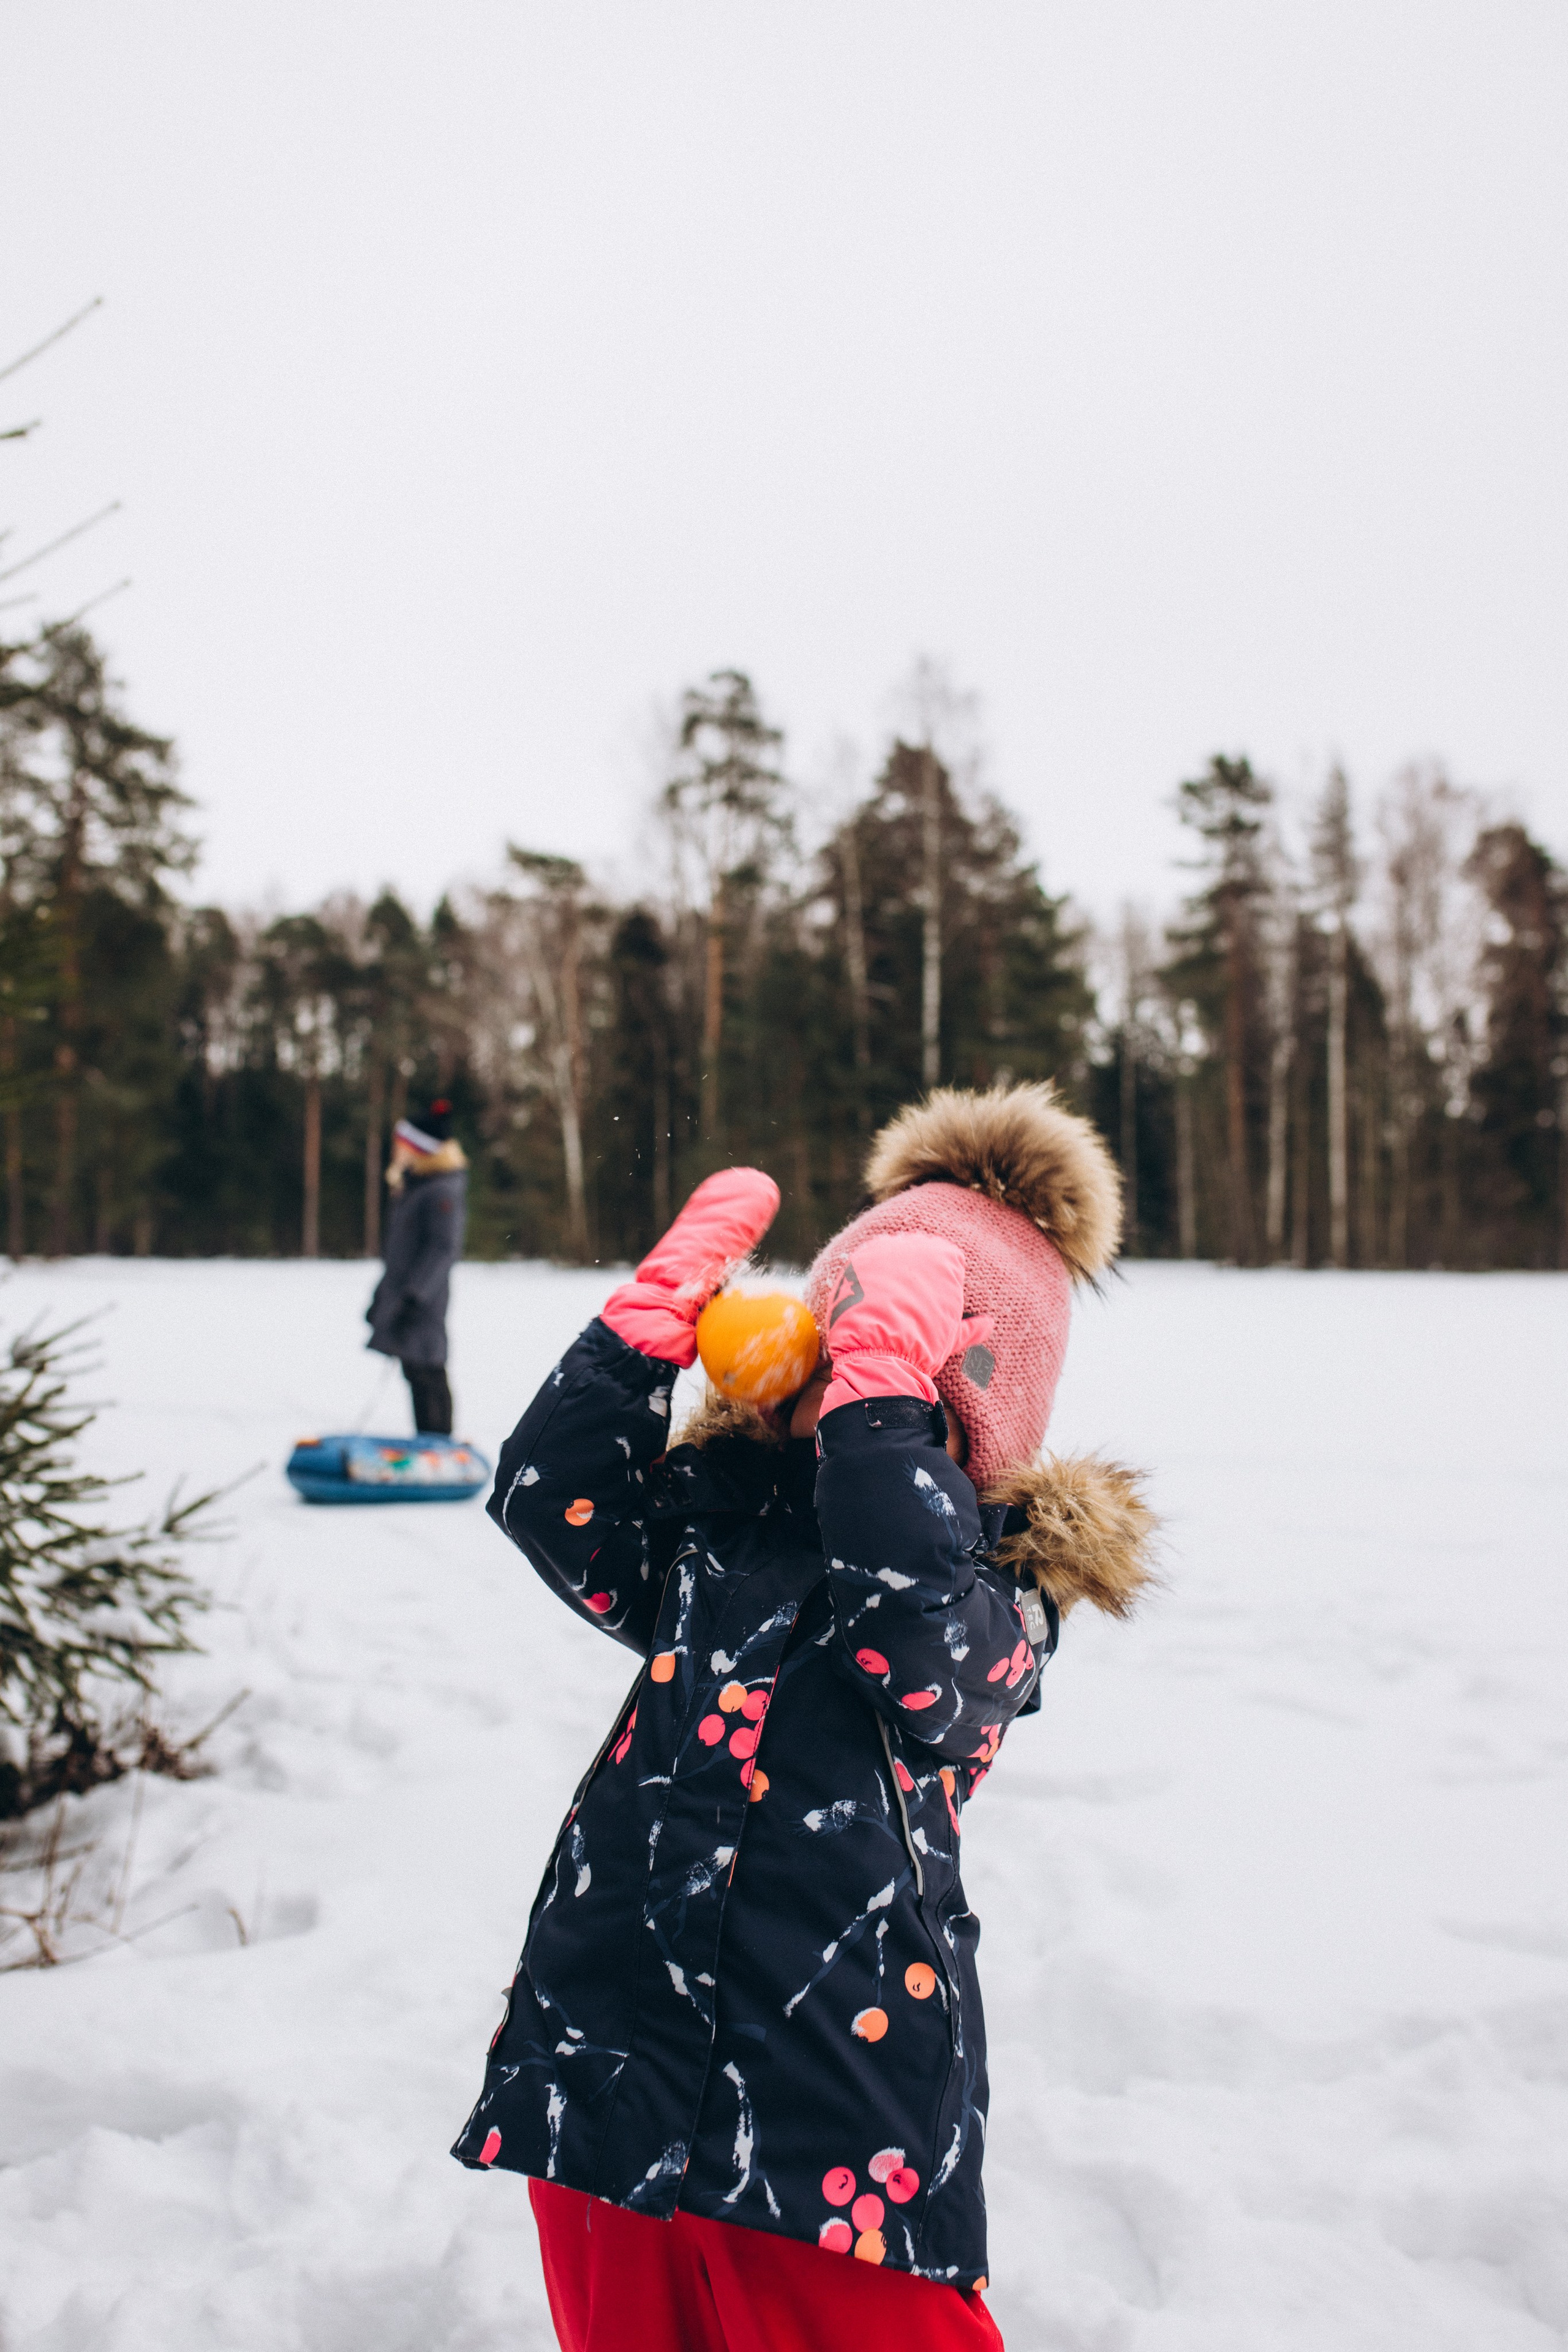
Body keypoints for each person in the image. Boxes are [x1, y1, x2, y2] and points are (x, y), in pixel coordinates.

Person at [451, 1083, 1157, 2351]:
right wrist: (638, 1339)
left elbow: (902, 1617)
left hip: (826, 2106)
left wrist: (877, 1412)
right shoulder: (715, 1524)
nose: (839, 1381)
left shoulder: (999, 1603)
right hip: (608, 2033)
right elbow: (549, 1503)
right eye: (839, 1343)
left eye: (887, 1360)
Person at [366, 1099, 468, 1434]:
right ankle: (429, 1440)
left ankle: (439, 1441)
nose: (396, 1152)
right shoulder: (416, 1186)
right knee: (414, 1368)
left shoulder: (441, 1190)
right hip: (404, 1293)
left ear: (419, 1150)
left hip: (424, 1298)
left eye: (401, 1146)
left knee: (428, 1368)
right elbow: (400, 1253)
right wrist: (382, 1298)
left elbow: (443, 1249)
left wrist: (415, 1296)